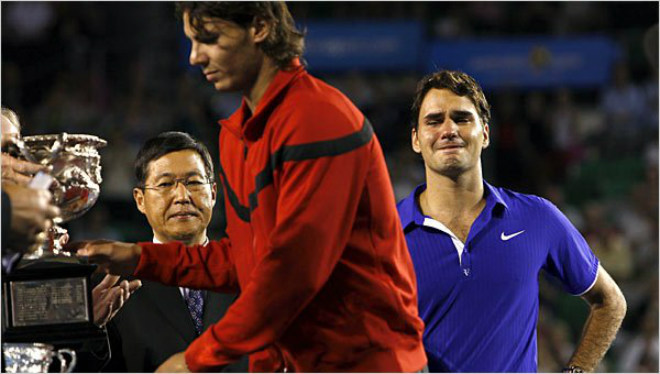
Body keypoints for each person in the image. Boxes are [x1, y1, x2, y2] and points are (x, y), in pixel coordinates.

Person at [73, 2, 426, 373]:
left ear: (259, 27)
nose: (195, 57)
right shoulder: (237, 135)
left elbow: (291, 274)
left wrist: (194, 360)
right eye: (192, 42)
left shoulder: (319, 119)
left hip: (368, 363)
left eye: (209, 39)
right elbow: (245, 262)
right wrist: (135, 257)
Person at [397, 70, 627, 372]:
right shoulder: (387, 232)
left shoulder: (536, 217)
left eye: (462, 118)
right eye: (434, 120)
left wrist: (576, 371)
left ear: (486, 133)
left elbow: (610, 302)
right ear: (416, 139)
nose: (449, 129)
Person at [103, 131, 247, 372]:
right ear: (140, 200)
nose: (182, 196)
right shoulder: (115, 286)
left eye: (193, 182)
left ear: (212, 194)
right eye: (166, 184)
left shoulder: (249, 268)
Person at [0, 106, 139, 325]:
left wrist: (79, 321)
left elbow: (35, 340)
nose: (8, 161)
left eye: (13, 149)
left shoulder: (23, 248)